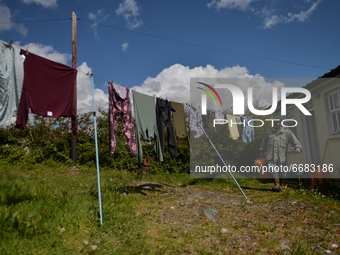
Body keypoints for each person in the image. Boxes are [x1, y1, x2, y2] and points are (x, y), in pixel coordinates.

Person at [259, 116, 302, 192]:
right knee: (273, 169)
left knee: (282, 171)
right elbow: (264, 143)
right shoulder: (268, 132)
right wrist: (262, 151)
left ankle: (281, 186)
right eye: (274, 122)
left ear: (281, 123)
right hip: (270, 155)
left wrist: (297, 147)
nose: (274, 123)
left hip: (282, 156)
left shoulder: (287, 132)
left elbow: (295, 141)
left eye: (276, 122)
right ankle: (277, 185)